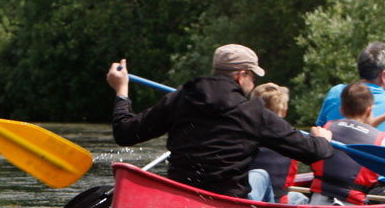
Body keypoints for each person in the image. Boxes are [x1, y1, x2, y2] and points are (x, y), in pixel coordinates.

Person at [108, 44, 333, 199]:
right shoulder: (253, 112)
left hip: (181, 196)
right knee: (261, 175)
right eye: (252, 77)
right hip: (227, 203)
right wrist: (322, 139)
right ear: (241, 75)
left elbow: (125, 133)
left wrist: (122, 91)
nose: (253, 84)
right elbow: (313, 152)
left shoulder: (179, 98)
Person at [309, 82, 385, 205]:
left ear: (341, 111)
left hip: (318, 201)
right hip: (353, 205)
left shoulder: (325, 130)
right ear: (369, 111)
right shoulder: (379, 141)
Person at [245, 83, 306, 203]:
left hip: (252, 197)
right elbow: (290, 177)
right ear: (284, 112)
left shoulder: (243, 136)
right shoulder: (292, 141)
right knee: (299, 198)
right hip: (277, 203)